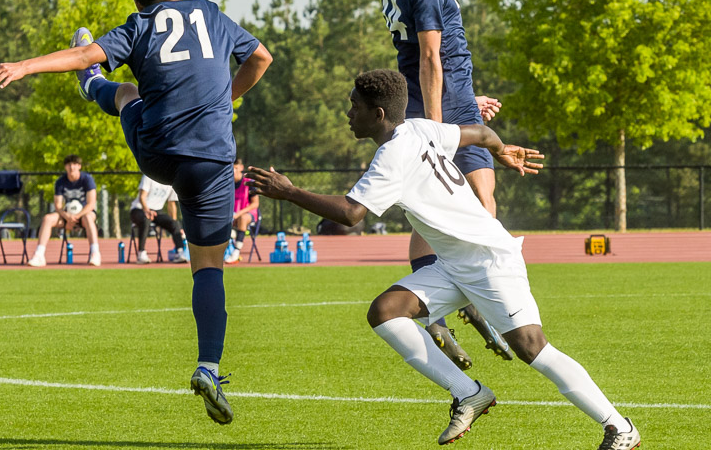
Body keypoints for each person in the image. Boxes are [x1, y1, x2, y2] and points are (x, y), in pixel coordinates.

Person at [247, 70, 640, 449]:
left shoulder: (391, 156)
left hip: (488, 260)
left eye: (354, 106)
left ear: (378, 114)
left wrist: (290, 192)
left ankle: (619, 427)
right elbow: (484, 133)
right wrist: (503, 152)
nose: (348, 114)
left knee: (531, 347)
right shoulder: (419, 127)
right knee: (385, 311)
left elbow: (351, 213)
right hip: (453, 262)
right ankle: (469, 393)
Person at [0, 0, 271, 426]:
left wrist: (24, 66)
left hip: (160, 151)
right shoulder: (210, 13)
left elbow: (82, 53)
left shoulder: (139, 26)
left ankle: (93, 88)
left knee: (125, 93)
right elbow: (261, 57)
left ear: (136, 1)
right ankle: (209, 366)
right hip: (212, 160)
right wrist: (224, 97)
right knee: (209, 269)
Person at [368, 0, 511, 369]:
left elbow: (427, 57)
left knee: (469, 204)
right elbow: (429, 57)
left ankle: (453, 304)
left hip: (453, 103)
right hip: (440, 110)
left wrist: (467, 98)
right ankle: (457, 306)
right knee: (465, 205)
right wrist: (436, 127)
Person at [26, 154, 101, 267]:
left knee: (88, 217)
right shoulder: (60, 182)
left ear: (79, 166)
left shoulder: (87, 179)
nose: (72, 167)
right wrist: (68, 217)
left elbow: (91, 203)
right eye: (69, 165)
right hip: (66, 216)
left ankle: (95, 253)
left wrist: (77, 216)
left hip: (84, 215)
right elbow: (58, 205)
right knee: (47, 218)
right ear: (65, 167)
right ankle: (39, 255)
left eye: (75, 164)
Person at [130, 174, 188, 264]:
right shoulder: (148, 176)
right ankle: (141, 253)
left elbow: (171, 204)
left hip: (157, 212)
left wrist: (175, 224)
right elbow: (142, 197)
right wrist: (147, 210)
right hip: (139, 209)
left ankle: (180, 253)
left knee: (175, 223)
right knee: (146, 218)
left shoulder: (171, 181)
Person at [225, 159, 258, 264]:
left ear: (241, 167)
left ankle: (236, 251)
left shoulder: (248, 182)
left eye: (235, 167)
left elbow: (255, 204)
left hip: (248, 215)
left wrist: (238, 214)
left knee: (242, 218)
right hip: (231, 216)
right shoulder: (226, 184)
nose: (233, 170)